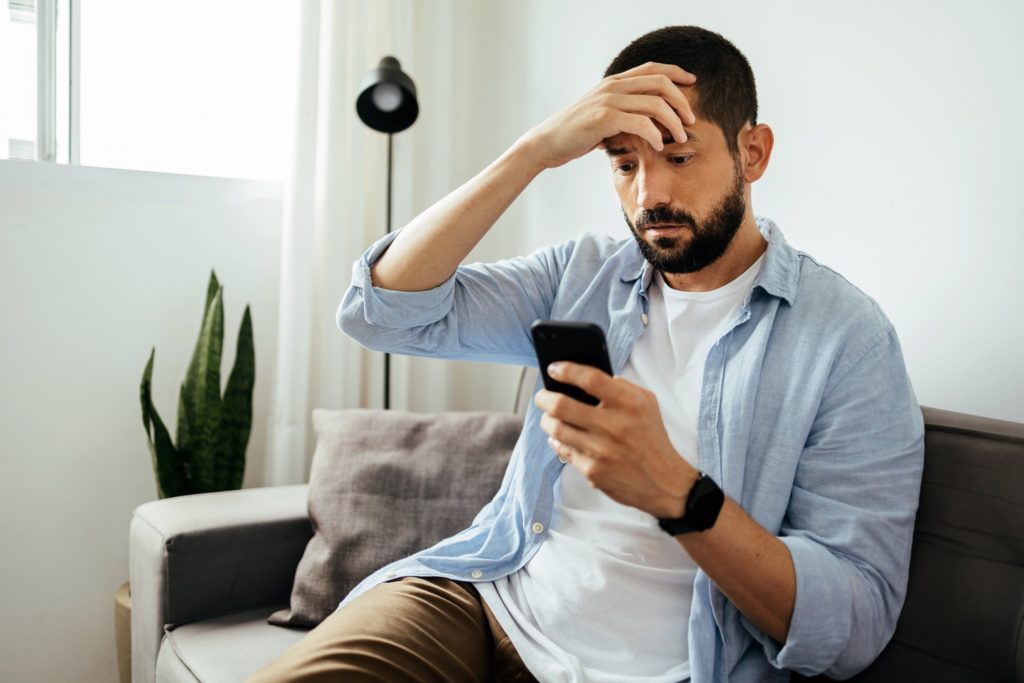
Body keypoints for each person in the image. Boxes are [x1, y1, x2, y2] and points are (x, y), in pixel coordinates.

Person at [250, 25, 924, 683]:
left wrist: (677, 493)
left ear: (753, 153)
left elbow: (854, 624)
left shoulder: (848, 342)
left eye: (679, 157)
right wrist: (536, 149)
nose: (647, 194)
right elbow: (382, 310)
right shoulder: (585, 275)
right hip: (487, 599)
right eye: (625, 163)